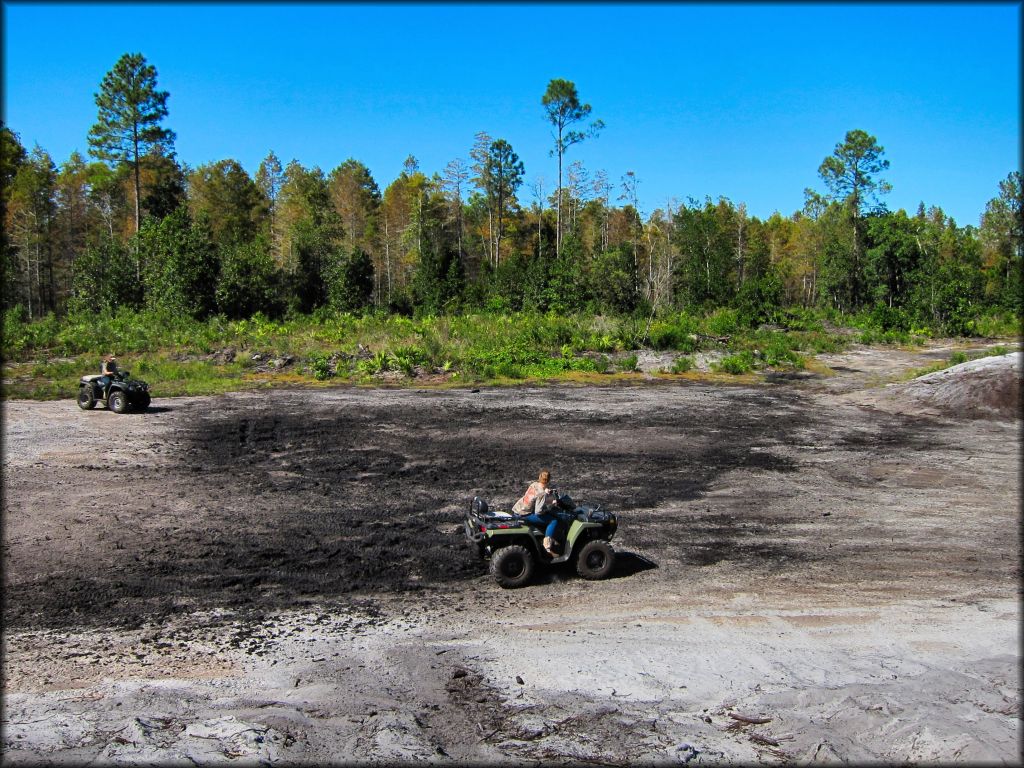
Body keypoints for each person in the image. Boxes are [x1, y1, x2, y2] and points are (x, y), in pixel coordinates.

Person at [513, 469, 563, 555]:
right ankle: (547, 547)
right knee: (553, 521)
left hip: (517, 509)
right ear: (548, 480)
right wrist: (551, 504)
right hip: (525, 514)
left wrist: (546, 491)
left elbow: (537, 494)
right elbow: (538, 512)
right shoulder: (542, 493)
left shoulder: (534, 484)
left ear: (540, 477)